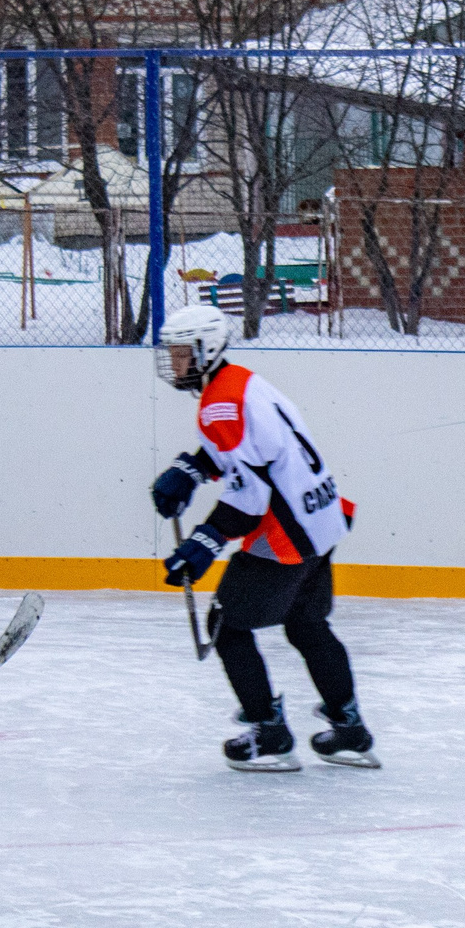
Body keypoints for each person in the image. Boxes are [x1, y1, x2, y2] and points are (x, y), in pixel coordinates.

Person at [148, 304, 377, 773]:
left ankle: (269, 733)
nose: (174, 363)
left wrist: (204, 543)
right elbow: (251, 456)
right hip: (323, 517)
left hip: (286, 533)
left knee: (228, 628)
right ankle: (351, 730)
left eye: (180, 353)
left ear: (205, 351)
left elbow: (249, 496)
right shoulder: (241, 381)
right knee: (308, 627)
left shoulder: (219, 404)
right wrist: (192, 470)